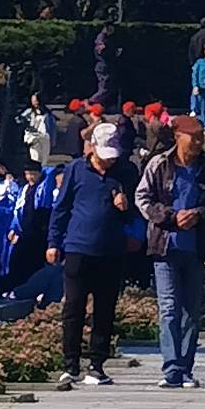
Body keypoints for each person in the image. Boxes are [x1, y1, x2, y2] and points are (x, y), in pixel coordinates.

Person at [51, 118, 144, 385]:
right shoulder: (76, 170)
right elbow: (61, 208)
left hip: (111, 249)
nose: (108, 162)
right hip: (78, 247)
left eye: (112, 157)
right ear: (92, 148)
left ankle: (97, 363)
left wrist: (126, 210)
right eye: (104, 156)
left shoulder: (126, 172)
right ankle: (71, 363)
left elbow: (139, 212)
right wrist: (53, 242)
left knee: (105, 308)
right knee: (73, 307)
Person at [139, 115, 205, 387]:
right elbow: (143, 199)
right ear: (178, 137)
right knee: (169, 307)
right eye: (193, 138)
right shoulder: (159, 164)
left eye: (201, 138)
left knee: (191, 310)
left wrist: (198, 215)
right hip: (164, 247)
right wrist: (171, 217)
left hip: (196, 248)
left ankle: (186, 368)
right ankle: (171, 368)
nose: (198, 143)